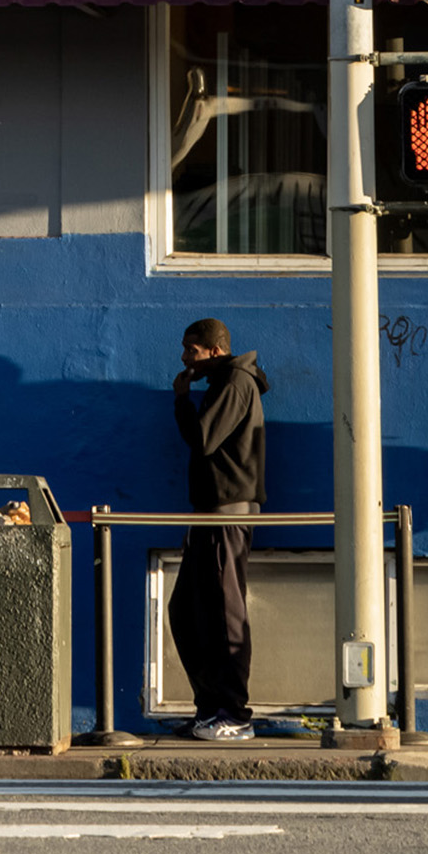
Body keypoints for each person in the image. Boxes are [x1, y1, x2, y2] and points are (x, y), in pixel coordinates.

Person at [169, 317, 267, 743]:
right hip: (211, 509)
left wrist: (181, 399)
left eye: (191, 350)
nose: (185, 358)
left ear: (214, 349)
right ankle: (210, 709)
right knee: (187, 611)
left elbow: (204, 438)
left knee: (226, 612)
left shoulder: (233, 382)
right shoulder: (224, 383)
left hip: (227, 510)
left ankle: (235, 714)